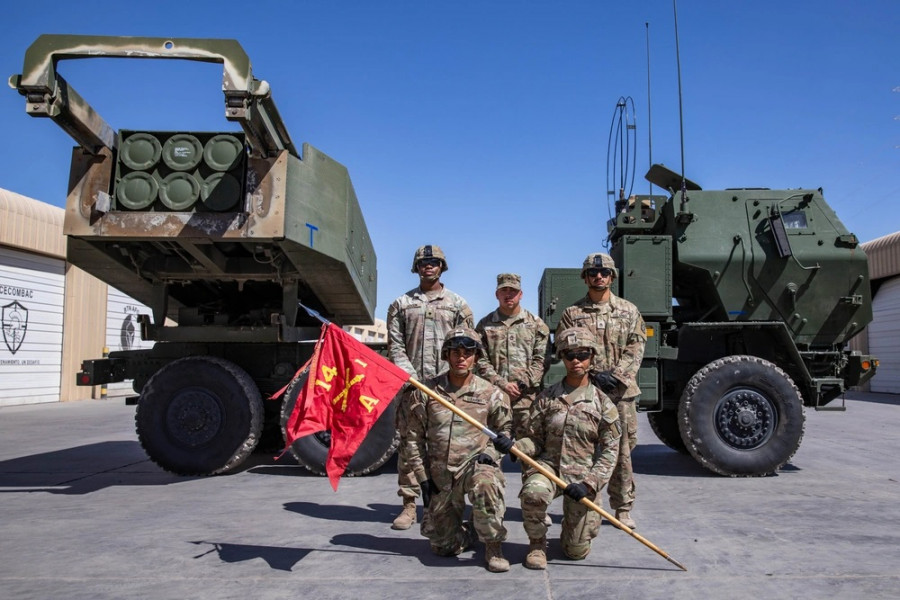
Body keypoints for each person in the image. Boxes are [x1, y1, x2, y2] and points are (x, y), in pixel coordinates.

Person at [405, 327, 514, 572]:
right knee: (443, 547)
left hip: (475, 465)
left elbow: (504, 431)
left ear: (476, 357)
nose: (461, 357)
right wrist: (422, 479)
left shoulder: (491, 393)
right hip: (440, 473)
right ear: (446, 355)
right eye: (455, 351)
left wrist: (495, 452)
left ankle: (493, 546)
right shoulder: (428, 392)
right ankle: (469, 532)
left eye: (468, 352)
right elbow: (413, 439)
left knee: (486, 484)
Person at [514, 327, 621, 568]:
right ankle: (537, 545)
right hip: (548, 468)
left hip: (582, 477)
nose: (576, 361)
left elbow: (610, 451)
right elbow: (534, 440)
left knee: (575, 551)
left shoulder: (603, 403)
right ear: (561, 357)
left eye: (582, 355)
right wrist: (515, 446)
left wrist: (589, 484)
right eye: (569, 355)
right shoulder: (547, 397)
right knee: (534, 493)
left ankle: (573, 534)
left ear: (591, 357)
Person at [386, 245, 474, 531]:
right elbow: (395, 346)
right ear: (416, 267)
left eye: (434, 262)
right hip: (412, 388)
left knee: (446, 448)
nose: (428, 266)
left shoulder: (458, 305)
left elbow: (466, 347)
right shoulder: (401, 304)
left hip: (445, 390)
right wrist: (412, 379)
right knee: (410, 446)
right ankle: (409, 505)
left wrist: (451, 381)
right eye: (423, 262)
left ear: (442, 267)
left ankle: (442, 507)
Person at [556, 252, 646, 529]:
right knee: (582, 448)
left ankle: (622, 506)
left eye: (604, 273)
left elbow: (636, 346)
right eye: (593, 273)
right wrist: (594, 375)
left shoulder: (629, 311)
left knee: (621, 451)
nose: (599, 277)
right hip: (586, 391)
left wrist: (617, 377)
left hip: (620, 392)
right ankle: (584, 501)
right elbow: (567, 349)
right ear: (585, 278)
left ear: (612, 277)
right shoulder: (572, 314)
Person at [475, 273, 549, 441]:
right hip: (495, 399)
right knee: (492, 452)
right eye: (504, 290)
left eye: (513, 291)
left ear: (520, 294)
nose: (508, 294)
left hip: (526, 402)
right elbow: (480, 359)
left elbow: (542, 360)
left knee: (528, 452)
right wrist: (502, 384)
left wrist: (521, 385)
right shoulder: (484, 325)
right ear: (497, 294)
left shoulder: (536, 325)